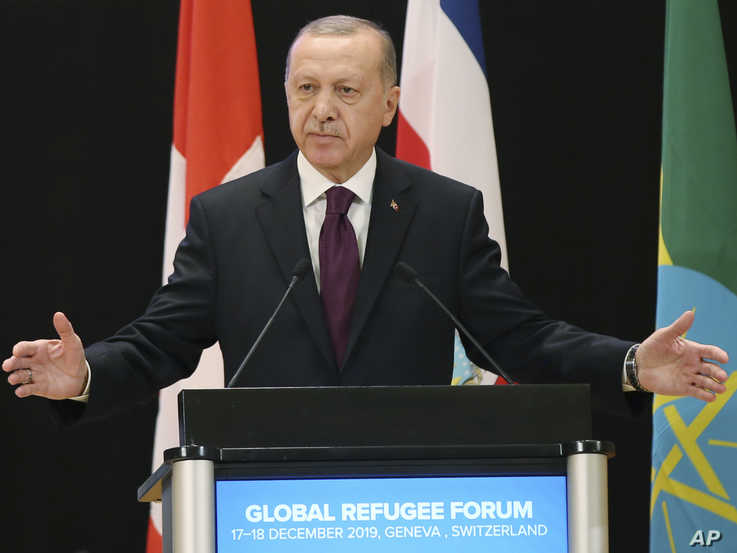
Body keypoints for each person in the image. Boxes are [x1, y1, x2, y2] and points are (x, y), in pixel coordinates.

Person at [3, 16, 728, 419]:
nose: (322, 109)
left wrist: (629, 364)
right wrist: (85, 373)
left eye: (346, 90)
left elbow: (518, 340)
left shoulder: (445, 212)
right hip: (267, 498)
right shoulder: (226, 217)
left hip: (408, 496)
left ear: (388, 104)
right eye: (306, 88)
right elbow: (161, 342)